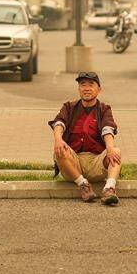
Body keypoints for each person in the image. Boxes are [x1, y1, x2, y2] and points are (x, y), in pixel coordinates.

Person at [48, 72, 122, 205]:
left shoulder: (104, 109)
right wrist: (58, 138)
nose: (86, 88)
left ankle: (109, 189)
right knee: (59, 149)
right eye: (83, 85)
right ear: (78, 89)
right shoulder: (69, 107)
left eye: (91, 84)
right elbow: (59, 123)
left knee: (116, 151)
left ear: (99, 90)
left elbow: (108, 129)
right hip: (73, 163)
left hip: (96, 162)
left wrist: (110, 148)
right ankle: (83, 185)